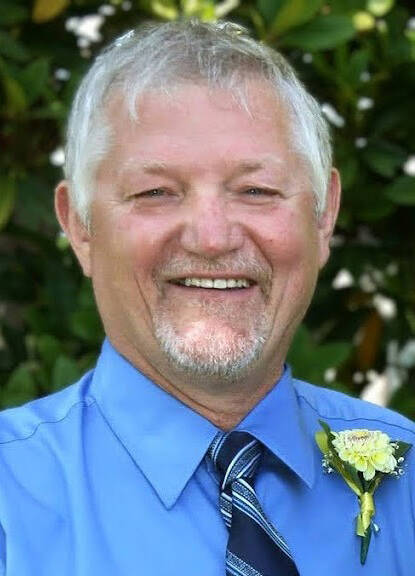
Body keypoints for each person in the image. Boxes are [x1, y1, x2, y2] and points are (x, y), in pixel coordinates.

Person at [0, 20, 414, 576]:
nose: (212, 238)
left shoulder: (408, 487)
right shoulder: (10, 502)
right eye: (155, 192)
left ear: (324, 215)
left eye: (256, 190)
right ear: (79, 225)